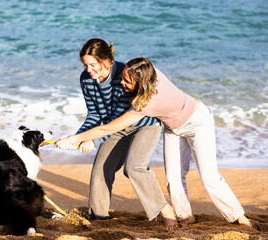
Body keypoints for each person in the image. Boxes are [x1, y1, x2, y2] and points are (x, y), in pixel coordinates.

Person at [57, 57, 252, 227]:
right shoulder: (149, 74)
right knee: (173, 179)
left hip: (198, 122)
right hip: (173, 129)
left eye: (126, 81)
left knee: (209, 177)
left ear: (141, 83)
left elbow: (108, 128)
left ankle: (238, 216)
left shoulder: (149, 103)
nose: (122, 83)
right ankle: (185, 217)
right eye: (123, 76)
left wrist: (74, 139)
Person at [60, 39, 178, 230]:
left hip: (144, 125)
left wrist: (92, 139)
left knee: (133, 168)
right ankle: (99, 218)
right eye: (85, 64)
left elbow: (118, 118)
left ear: (106, 60)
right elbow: (94, 114)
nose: (88, 69)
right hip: (111, 127)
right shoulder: (86, 79)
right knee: (100, 169)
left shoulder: (124, 73)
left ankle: (164, 208)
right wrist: (77, 137)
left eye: (93, 64)